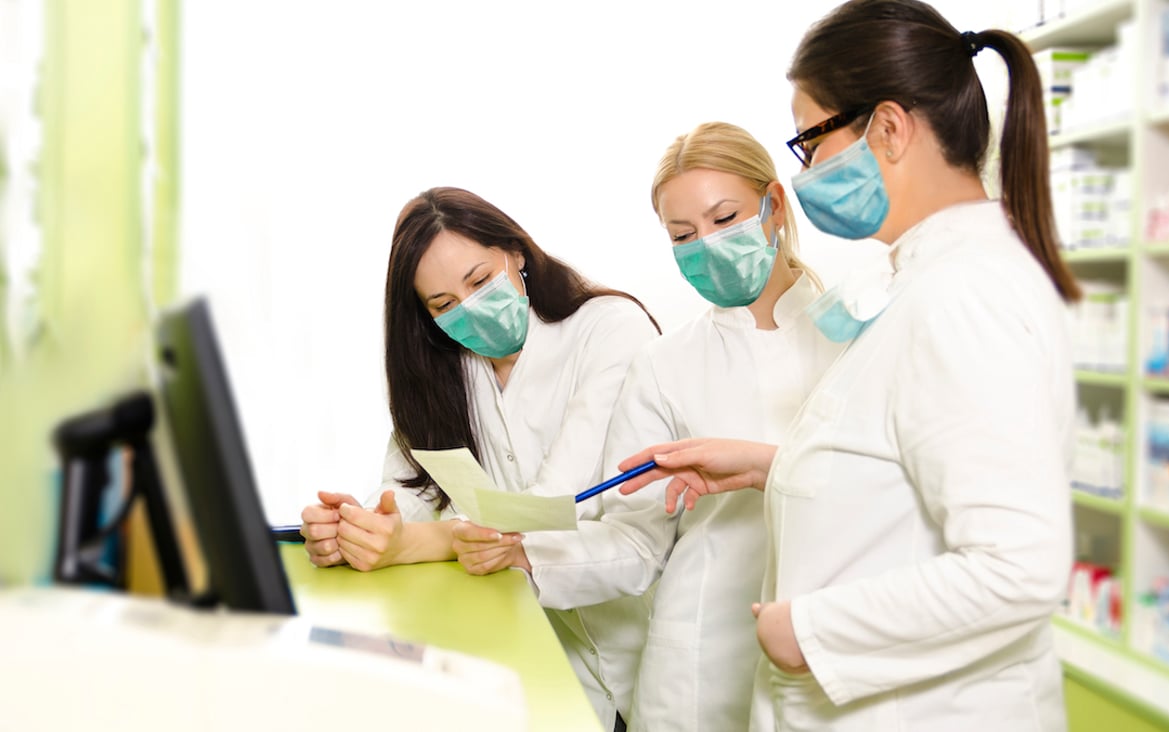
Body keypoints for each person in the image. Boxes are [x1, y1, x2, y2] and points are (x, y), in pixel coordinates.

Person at [614, 1, 1081, 730]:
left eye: (810, 143)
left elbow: (1020, 566)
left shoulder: (961, 295)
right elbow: (899, 478)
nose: (807, 174)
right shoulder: (923, 284)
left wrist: (803, 632)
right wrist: (770, 465)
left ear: (889, 129)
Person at [450, 122, 847, 731]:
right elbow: (637, 544)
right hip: (697, 668)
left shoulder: (855, 338)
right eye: (684, 234)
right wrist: (525, 555)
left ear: (775, 204)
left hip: (833, 652)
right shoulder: (665, 364)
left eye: (725, 218)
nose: (707, 244)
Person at [297, 186, 660, 731]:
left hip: (642, 647)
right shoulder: (441, 369)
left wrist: (422, 542)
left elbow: (556, 505)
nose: (469, 309)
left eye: (479, 280)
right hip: (531, 658)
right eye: (443, 305)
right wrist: (364, 526)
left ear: (515, 253)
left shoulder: (608, 328)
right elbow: (415, 491)